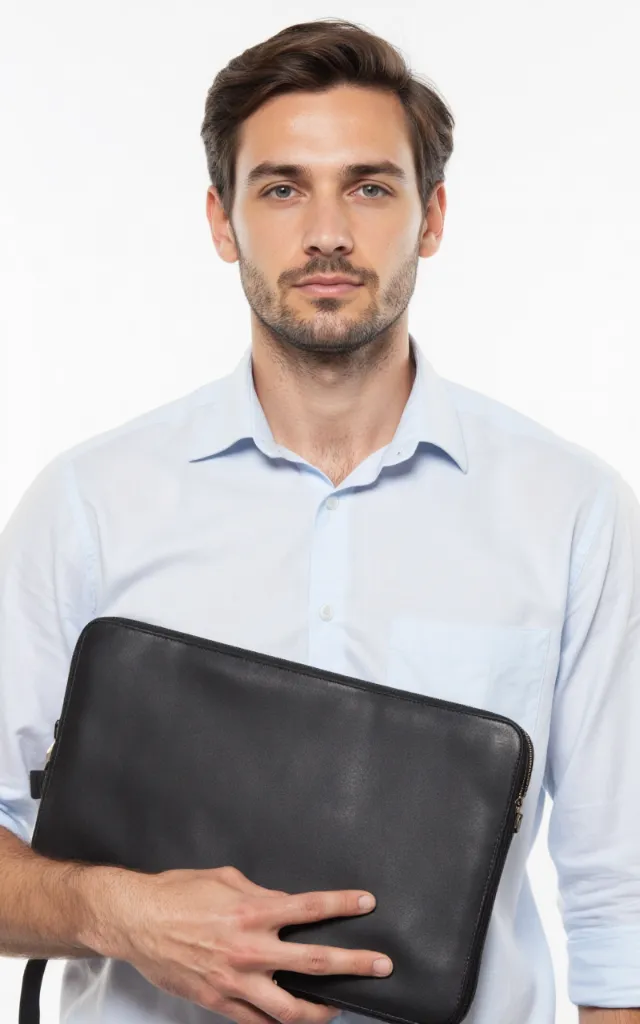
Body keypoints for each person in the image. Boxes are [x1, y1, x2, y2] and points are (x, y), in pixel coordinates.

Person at [1, 16, 639, 1024]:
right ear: (222, 222)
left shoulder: (569, 511)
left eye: (370, 186)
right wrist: (114, 911)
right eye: (283, 187)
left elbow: (620, 901)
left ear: (431, 218)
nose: (328, 231)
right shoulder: (87, 506)